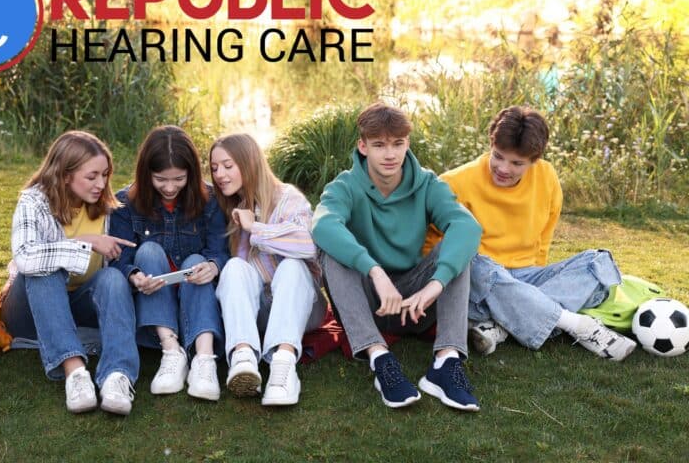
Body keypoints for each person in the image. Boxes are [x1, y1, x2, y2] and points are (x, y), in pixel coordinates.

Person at [425, 105, 636, 360]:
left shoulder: (546, 176)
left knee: (598, 263)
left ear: (534, 160)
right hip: (478, 282)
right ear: (491, 145)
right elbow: (432, 251)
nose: (503, 168)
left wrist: (522, 295)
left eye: (517, 163)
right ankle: (577, 325)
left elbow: (544, 236)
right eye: (498, 156)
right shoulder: (454, 182)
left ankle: (501, 326)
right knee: (468, 257)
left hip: (526, 276)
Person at [312, 103, 482, 411]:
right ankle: (380, 358)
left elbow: (466, 226)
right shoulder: (345, 186)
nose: (390, 154)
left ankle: (446, 361)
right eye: (379, 145)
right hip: (369, 303)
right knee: (331, 251)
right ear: (363, 146)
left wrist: (436, 285)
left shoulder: (427, 183)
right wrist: (374, 271)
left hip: (416, 303)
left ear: (407, 144)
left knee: (457, 248)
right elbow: (322, 225)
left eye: (397, 144)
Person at [0, 131, 139, 415]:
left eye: (105, 174)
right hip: (28, 309)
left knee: (113, 278)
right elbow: (25, 257)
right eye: (92, 176)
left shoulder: (107, 208)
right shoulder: (34, 202)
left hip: (79, 306)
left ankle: (117, 377)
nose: (101, 183)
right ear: (65, 175)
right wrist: (86, 242)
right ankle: (75, 373)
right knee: (44, 269)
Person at [109, 126, 229, 401]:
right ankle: (171, 350)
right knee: (148, 250)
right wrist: (134, 276)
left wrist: (213, 266)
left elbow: (219, 251)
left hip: (196, 303)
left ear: (192, 174)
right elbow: (119, 260)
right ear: (145, 173)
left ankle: (204, 358)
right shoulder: (126, 203)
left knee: (198, 261)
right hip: (154, 311)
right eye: (161, 179)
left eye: (179, 179)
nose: (170, 187)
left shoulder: (209, 201)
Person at [209, 133, 327, 406]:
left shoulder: (288, 198)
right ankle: (243, 356)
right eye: (215, 168)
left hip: (299, 306)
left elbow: (309, 246)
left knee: (293, 266)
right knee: (235, 267)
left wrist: (255, 229)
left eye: (228, 166)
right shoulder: (228, 207)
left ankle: (283, 367)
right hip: (257, 312)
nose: (220, 175)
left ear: (249, 162)